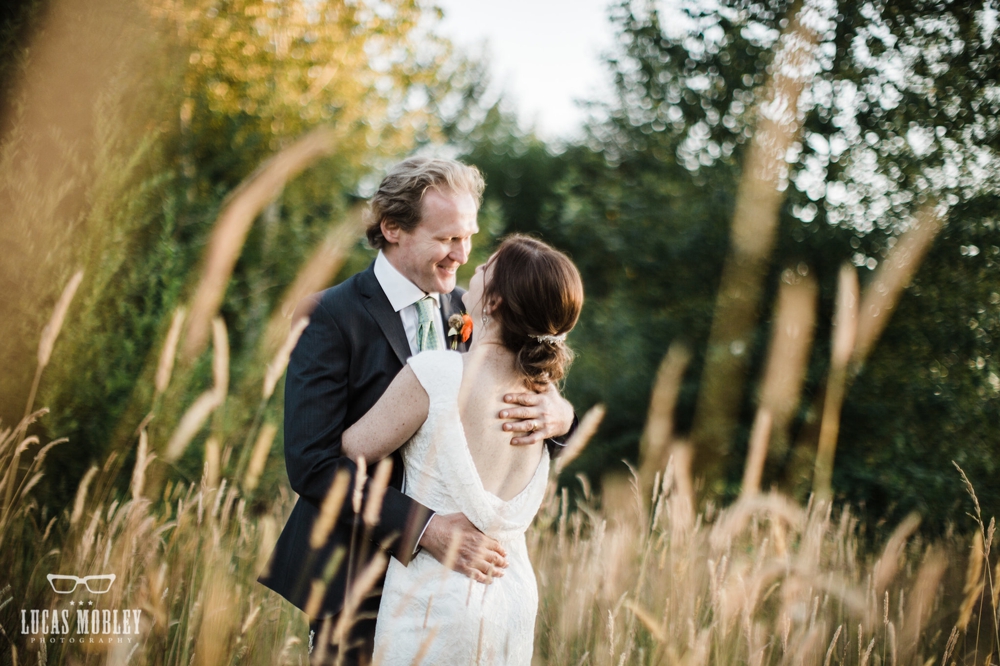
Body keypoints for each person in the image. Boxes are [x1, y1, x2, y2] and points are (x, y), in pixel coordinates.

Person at [256, 157, 576, 665]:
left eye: (468, 236)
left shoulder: (472, 312)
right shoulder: (330, 317)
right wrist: (426, 529)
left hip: (457, 596)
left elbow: (509, 405)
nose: (462, 254)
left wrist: (559, 415)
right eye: (447, 239)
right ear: (393, 229)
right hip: (356, 572)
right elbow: (312, 462)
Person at [341, 234, 584, 665]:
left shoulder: (436, 374)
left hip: (434, 601)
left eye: (487, 266)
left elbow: (353, 447)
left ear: (493, 303)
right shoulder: (544, 402)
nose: (473, 268)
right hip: (512, 597)